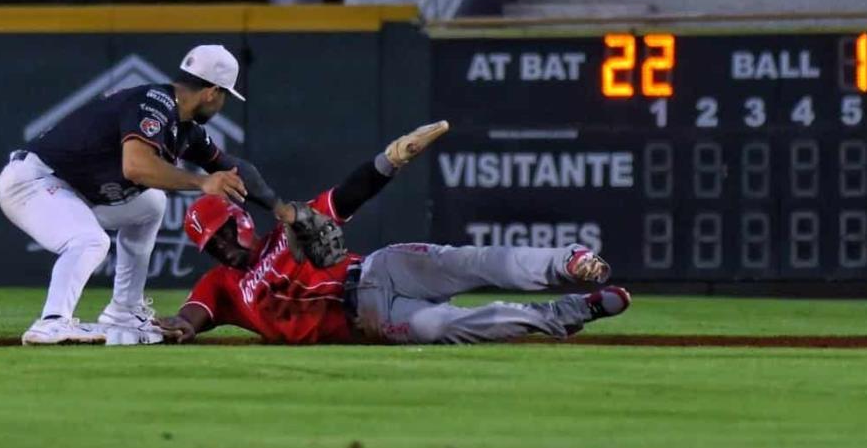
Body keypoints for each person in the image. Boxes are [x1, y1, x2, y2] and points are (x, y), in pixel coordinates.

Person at [155, 121, 631, 345]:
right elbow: (189, 318)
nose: (220, 248)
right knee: (450, 327)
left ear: (240, 221)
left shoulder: (286, 227)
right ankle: (564, 313)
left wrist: (393, 158)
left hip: (380, 269)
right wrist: (177, 326)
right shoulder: (222, 288)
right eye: (211, 246)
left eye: (222, 235)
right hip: (371, 320)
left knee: (470, 262)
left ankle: (567, 261)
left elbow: (346, 196)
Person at [0, 44, 298, 345]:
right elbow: (136, 167)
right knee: (90, 240)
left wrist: (281, 209)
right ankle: (52, 323)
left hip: (73, 189)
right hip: (32, 182)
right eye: (223, 97)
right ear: (212, 92)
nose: (221, 105)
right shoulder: (153, 103)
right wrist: (201, 182)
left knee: (151, 203)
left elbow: (233, 167)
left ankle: (124, 312)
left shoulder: (185, 128)